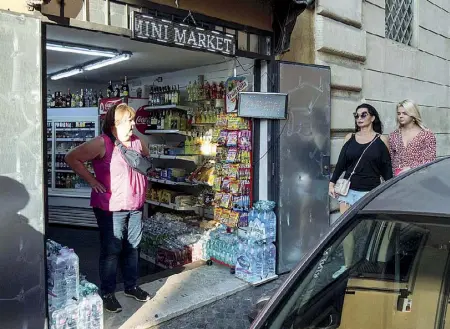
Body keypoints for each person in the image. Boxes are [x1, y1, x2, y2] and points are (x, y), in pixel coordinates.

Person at [65, 103, 151, 313]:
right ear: (115, 123)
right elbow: (71, 157)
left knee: (133, 247)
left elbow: (146, 158)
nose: (133, 123)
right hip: (110, 206)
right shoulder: (101, 143)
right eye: (129, 120)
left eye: (132, 119)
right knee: (112, 250)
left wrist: (136, 135)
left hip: (135, 205)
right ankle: (108, 293)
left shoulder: (137, 141)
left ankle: (131, 286)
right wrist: (92, 181)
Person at [329, 103, 393, 214]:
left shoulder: (381, 140)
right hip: (347, 192)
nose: (359, 118)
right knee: (346, 229)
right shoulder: (350, 137)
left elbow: (386, 169)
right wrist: (331, 183)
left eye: (364, 115)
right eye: (357, 116)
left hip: (370, 192)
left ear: (372, 118)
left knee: (366, 230)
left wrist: (390, 192)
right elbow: (341, 164)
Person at [389, 99, 436, 176]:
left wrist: (411, 168)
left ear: (413, 114)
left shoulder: (426, 134)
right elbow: (392, 159)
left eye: (404, 113)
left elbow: (430, 161)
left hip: (419, 178)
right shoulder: (393, 135)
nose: (400, 116)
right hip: (398, 181)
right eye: (398, 113)